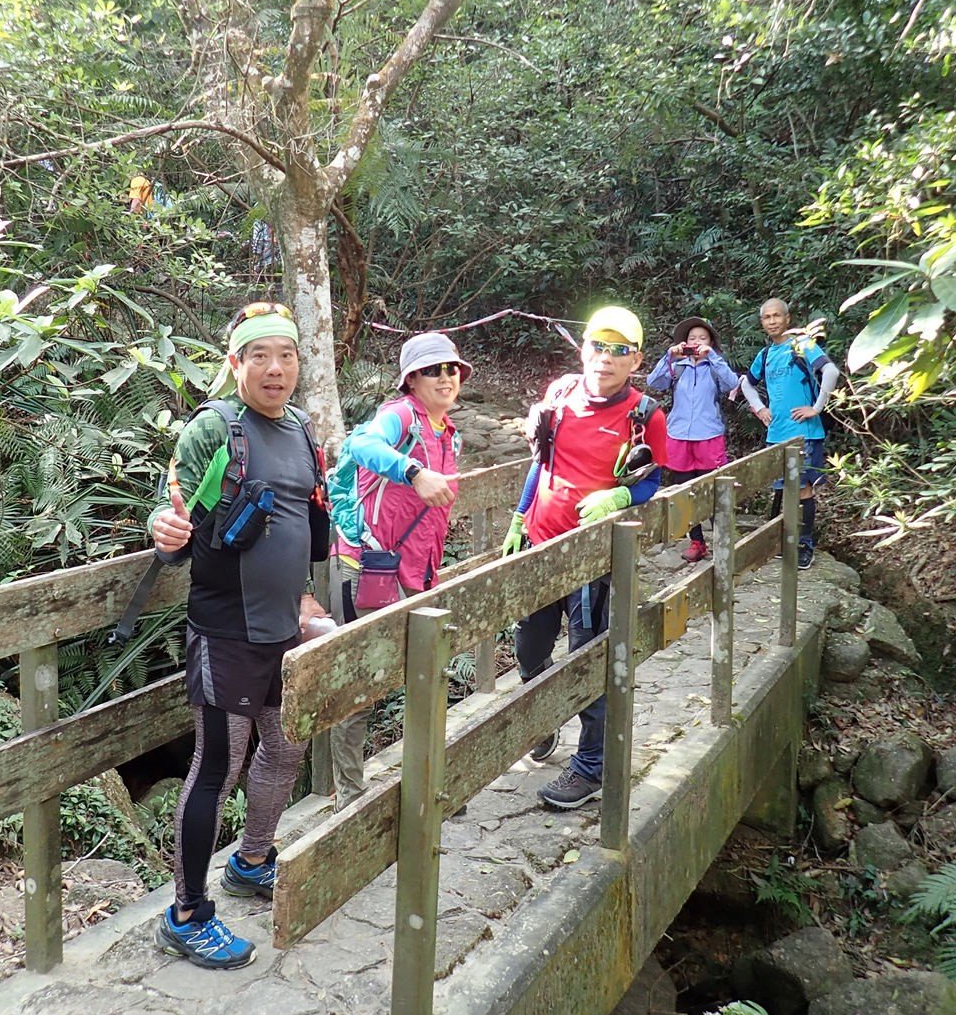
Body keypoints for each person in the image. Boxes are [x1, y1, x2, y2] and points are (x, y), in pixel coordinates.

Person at [148, 300, 330, 969]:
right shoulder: (215, 428)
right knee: (216, 769)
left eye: (286, 355)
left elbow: (304, 525)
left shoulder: (302, 429)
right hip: (225, 631)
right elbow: (173, 508)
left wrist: (305, 597)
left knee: (284, 748)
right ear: (236, 364)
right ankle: (186, 914)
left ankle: (251, 860)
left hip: (285, 628)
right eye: (260, 356)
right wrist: (162, 529)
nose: (275, 368)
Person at [501, 305, 670, 810]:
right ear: (583, 349)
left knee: (588, 658)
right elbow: (542, 460)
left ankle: (591, 766)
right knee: (528, 648)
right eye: (598, 346)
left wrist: (620, 497)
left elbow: (654, 481)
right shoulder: (559, 395)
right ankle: (544, 718)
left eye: (620, 350)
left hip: (593, 559)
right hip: (540, 543)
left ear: (636, 360)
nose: (606, 358)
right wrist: (519, 516)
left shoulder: (646, 416)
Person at [327, 333, 468, 809]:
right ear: (411, 379)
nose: (444, 377)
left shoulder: (446, 433)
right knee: (359, 685)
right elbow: (360, 443)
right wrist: (413, 472)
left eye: (451, 368)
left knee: (426, 676)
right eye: (432, 370)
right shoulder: (399, 416)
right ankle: (349, 797)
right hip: (367, 568)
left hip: (416, 575)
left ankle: (427, 784)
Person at [738, 298, 841, 571]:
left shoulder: (802, 344)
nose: (772, 321)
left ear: (787, 318)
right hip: (776, 433)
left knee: (803, 490)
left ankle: (805, 545)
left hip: (804, 433)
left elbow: (830, 370)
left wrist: (817, 407)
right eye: (767, 317)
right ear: (762, 322)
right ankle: (786, 541)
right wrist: (760, 408)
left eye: (777, 316)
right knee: (785, 489)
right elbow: (746, 383)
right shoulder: (765, 354)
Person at [645, 316, 740, 561]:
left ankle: (723, 541)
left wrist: (712, 357)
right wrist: (669, 357)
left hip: (709, 435)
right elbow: (653, 382)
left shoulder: (714, 366)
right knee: (685, 491)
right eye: (692, 338)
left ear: (711, 342)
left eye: (702, 338)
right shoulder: (678, 367)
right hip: (678, 435)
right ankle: (697, 542)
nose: (697, 342)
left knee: (713, 490)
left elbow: (731, 383)